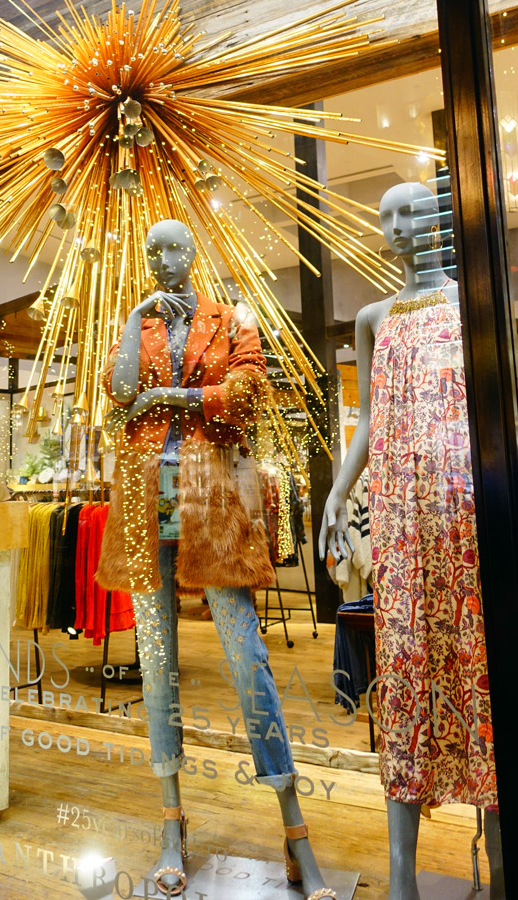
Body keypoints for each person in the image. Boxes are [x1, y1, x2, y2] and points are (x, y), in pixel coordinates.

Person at [97, 219, 335, 899]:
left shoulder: (230, 318)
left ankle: (294, 827)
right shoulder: (139, 323)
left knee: (245, 655)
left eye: (173, 248)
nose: (162, 260)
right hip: (146, 494)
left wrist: (171, 396)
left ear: (193, 253)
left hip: (213, 493)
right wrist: (132, 322)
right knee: (156, 658)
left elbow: (248, 395)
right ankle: (171, 825)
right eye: (152, 251)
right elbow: (119, 393)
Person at [319, 183, 503, 900]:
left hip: (467, 512)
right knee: (406, 668)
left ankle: (499, 857)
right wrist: (339, 489)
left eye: (411, 212)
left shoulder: (472, 304)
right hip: (399, 516)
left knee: (479, 661)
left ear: (439, 220)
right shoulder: (374, 318)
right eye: (386, 214)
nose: (397, 226)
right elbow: (369, 418)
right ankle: (401, 875)